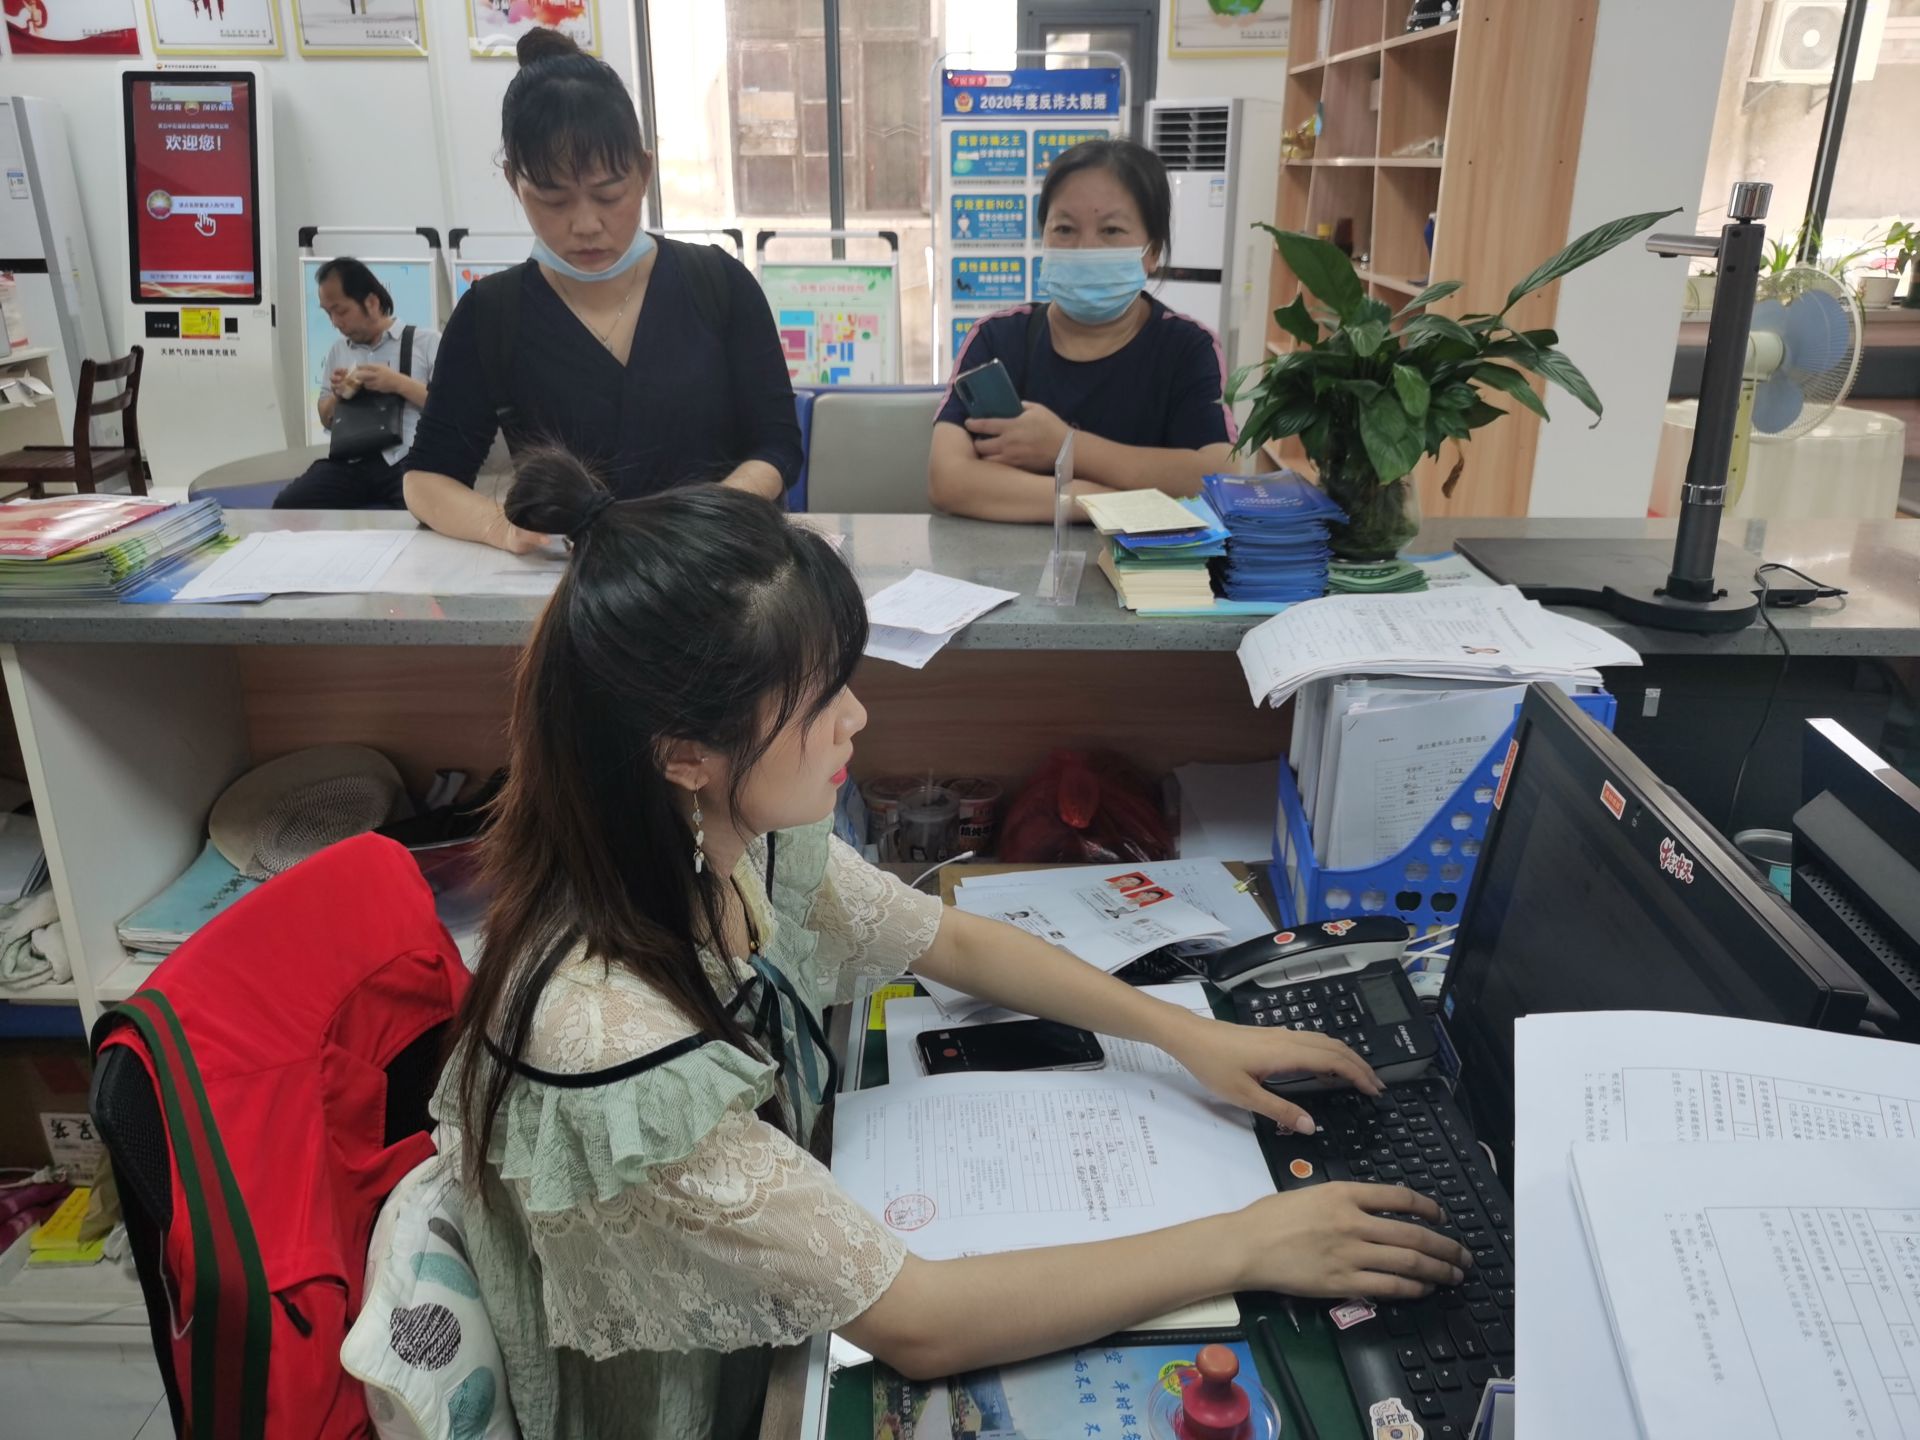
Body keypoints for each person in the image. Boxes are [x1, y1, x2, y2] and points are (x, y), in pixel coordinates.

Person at [436, 448, 1473, 1440]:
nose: (857, 717)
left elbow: (949, 942)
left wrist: (1183, 1033)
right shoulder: (608, 1037)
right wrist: (1250, 1240)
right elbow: (922, 1320)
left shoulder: (721, 841)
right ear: (684, 756)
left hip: (774, 1306)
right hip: (701, 1394)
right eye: (820, 699)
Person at [402, 28, 800, 554]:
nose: (586, 225)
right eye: (553, 201)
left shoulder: (718, 283)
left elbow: (777, 446)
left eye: (609, 194)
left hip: (717, 567)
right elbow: (427, 478)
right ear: (514, 183)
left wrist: (703, 523)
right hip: (578, 583)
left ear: (644, 171)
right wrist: (503, 528)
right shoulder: (492, 315)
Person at [929, 139, 1240, 523]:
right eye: (1064, 228)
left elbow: (1218, 475)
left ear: (1153, 252)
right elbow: (948, 479)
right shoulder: (996, 338)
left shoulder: (1188, 348)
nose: (1084, 249)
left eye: (1111, 230)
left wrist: (1065, 447)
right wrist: (1103, 501)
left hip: (1142, 561)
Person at [278, 257, 439, 510]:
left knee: (429, 514)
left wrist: (397, 383)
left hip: (407, 461)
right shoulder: (338, 351)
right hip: (350, 463)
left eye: (341, 311)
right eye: (328, 313)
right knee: (289, 505)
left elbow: (451, 410)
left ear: (371, 302)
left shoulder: (426, 342)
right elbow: (326, 418)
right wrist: (338, 395)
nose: (335, 322)